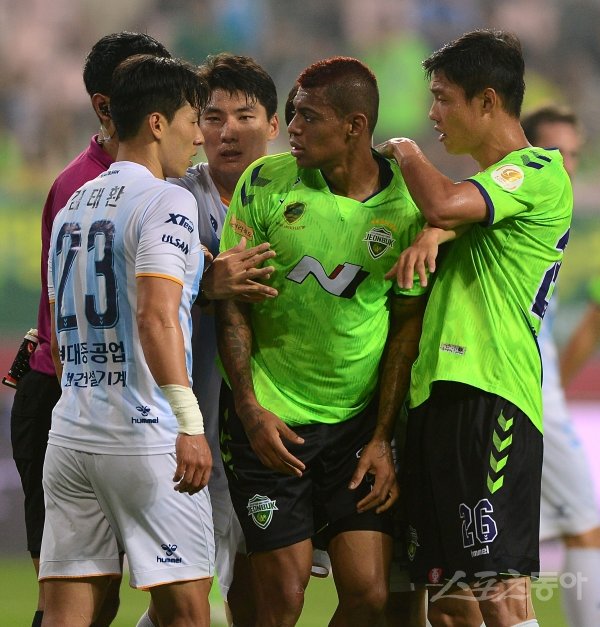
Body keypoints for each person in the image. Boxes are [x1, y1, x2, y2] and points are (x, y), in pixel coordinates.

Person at [216, 56, 428, 627]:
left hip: (355, 428)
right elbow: (232, 300)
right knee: (281, 603)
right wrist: (248, 409)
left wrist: (383, 437)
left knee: (370, 596)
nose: (292, 128)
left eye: (308, 117)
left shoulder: (408, 205)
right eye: (292, 114)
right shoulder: (265, 181)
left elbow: (405, 327)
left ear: (355, 126)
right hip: (272, 423)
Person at [378, 30, 573, 626]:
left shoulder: (538, 170)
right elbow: (454, 210)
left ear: (487, 101)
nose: (433, 113)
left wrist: (406, 152)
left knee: (501, 596)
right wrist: (435, 231)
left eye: (442, 98)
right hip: (434, 397)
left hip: (492, 394)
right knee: (450, 604)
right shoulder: (481, 199)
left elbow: (445, 203)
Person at [41, 54, 214, 627]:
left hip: (71, 435)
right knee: (186, 613)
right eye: (193, 119)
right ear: (158, 123)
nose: (200, 137)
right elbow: (157, 317)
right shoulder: (168, 200)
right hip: (145, 439)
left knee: (67, 615)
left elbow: (62, 338)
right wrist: (190, 423)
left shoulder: (72, 205)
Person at [8, 31, 171, 627]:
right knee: (78, 600)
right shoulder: (81, 187)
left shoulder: (167, 182)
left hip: (117, 403)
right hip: (68, 396)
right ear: (108, 106)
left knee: (135, 592)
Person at [138, 52, 280, 627]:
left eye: (244, 116)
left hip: (283, 425)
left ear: (274, 125)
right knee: (188, 596)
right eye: (213, 118)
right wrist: (205, 284)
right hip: (201, 430)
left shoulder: (302, 198)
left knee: (265, 594)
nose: (227, 132)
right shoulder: (175, 200)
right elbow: (148, 300)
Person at [522, 105, 600, 627]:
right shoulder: (522, 209)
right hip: (522, 388)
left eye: (573, 155)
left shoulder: (554, 217)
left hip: (535, 390)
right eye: (553, 153)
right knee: (584, 525)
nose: (565, 166)